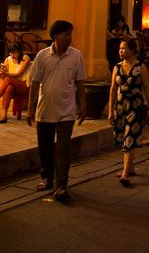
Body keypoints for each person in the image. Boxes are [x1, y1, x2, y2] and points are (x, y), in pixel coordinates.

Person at [27, 20, 86, 202]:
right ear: (55, 36)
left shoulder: (76, 56)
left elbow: (80, 83)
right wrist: (30, 109)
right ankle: (47, 177)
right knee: (45, 148)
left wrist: (82, 106)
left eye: (71, 34)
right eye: (66, 34)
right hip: (44, 111)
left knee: (63, 149)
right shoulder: (42, 56)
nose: (70, 38)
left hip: (66, 111)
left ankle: (61, 185)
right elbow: (34, 84)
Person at [108, 38, 149, 185]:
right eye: (120, 49)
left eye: (124, 48)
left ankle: (125, 173)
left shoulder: (141, 67)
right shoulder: (117, 67)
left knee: (130, 137)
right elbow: (113, 89)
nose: (121, 51)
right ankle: (131, 167)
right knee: (122, 136)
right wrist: (110, 110)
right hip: (121, 107)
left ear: (133, 50)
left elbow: (146, 87)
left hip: (136, 106)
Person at [0, 42, 31, 123]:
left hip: (25, 86)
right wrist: (1, 73)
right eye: (10, 52)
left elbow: (17, 74)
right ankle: (4, 117)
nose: (12, 55)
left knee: (9, 79)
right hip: (13, 85)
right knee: (9, 87)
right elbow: (4, 78)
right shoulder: (8, 59)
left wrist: (4, 74)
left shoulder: (26, 59)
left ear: (20, 51)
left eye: (15, 52)